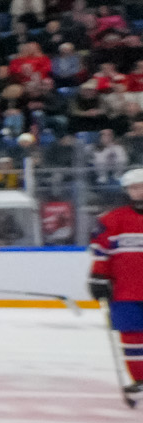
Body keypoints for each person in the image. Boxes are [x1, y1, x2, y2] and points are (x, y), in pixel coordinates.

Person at [93, 165, 143, 409]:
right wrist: (98, 278)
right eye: (134, 188)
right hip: (125, 292)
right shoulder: (112, 220)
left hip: (129, 291)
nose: (139, 192)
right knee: (132, 339)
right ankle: (140, 380)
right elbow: (101, 251)